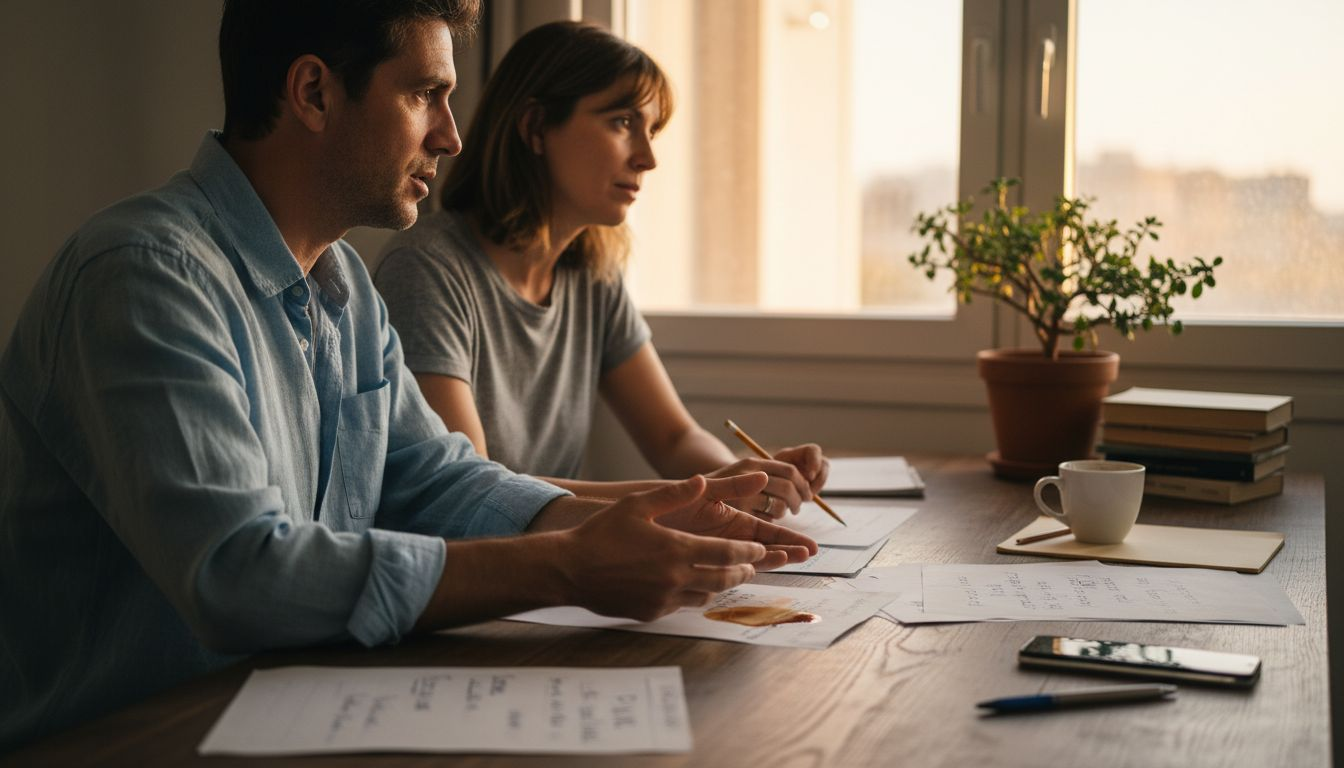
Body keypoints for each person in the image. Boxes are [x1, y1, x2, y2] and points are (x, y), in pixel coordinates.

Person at [0, 1, 815, 751]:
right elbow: (236, 574)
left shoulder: (346, 286)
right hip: (127, 743)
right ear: (314, 92)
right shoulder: (145, 275)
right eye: (426, 94)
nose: (452, 136)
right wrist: (571, 562)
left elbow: (437, 479)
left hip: (291, 722)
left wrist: (652, 518)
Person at [374, 22, 830, 521]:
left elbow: (674, 438)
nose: (648, 157)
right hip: (479, 578)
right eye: (621, 123)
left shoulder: (592, 272)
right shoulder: (427, 270)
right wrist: (705, 494)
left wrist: (751, 483)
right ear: (534, 128)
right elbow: (473, 488)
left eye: (651, 130)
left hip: (562, 568)